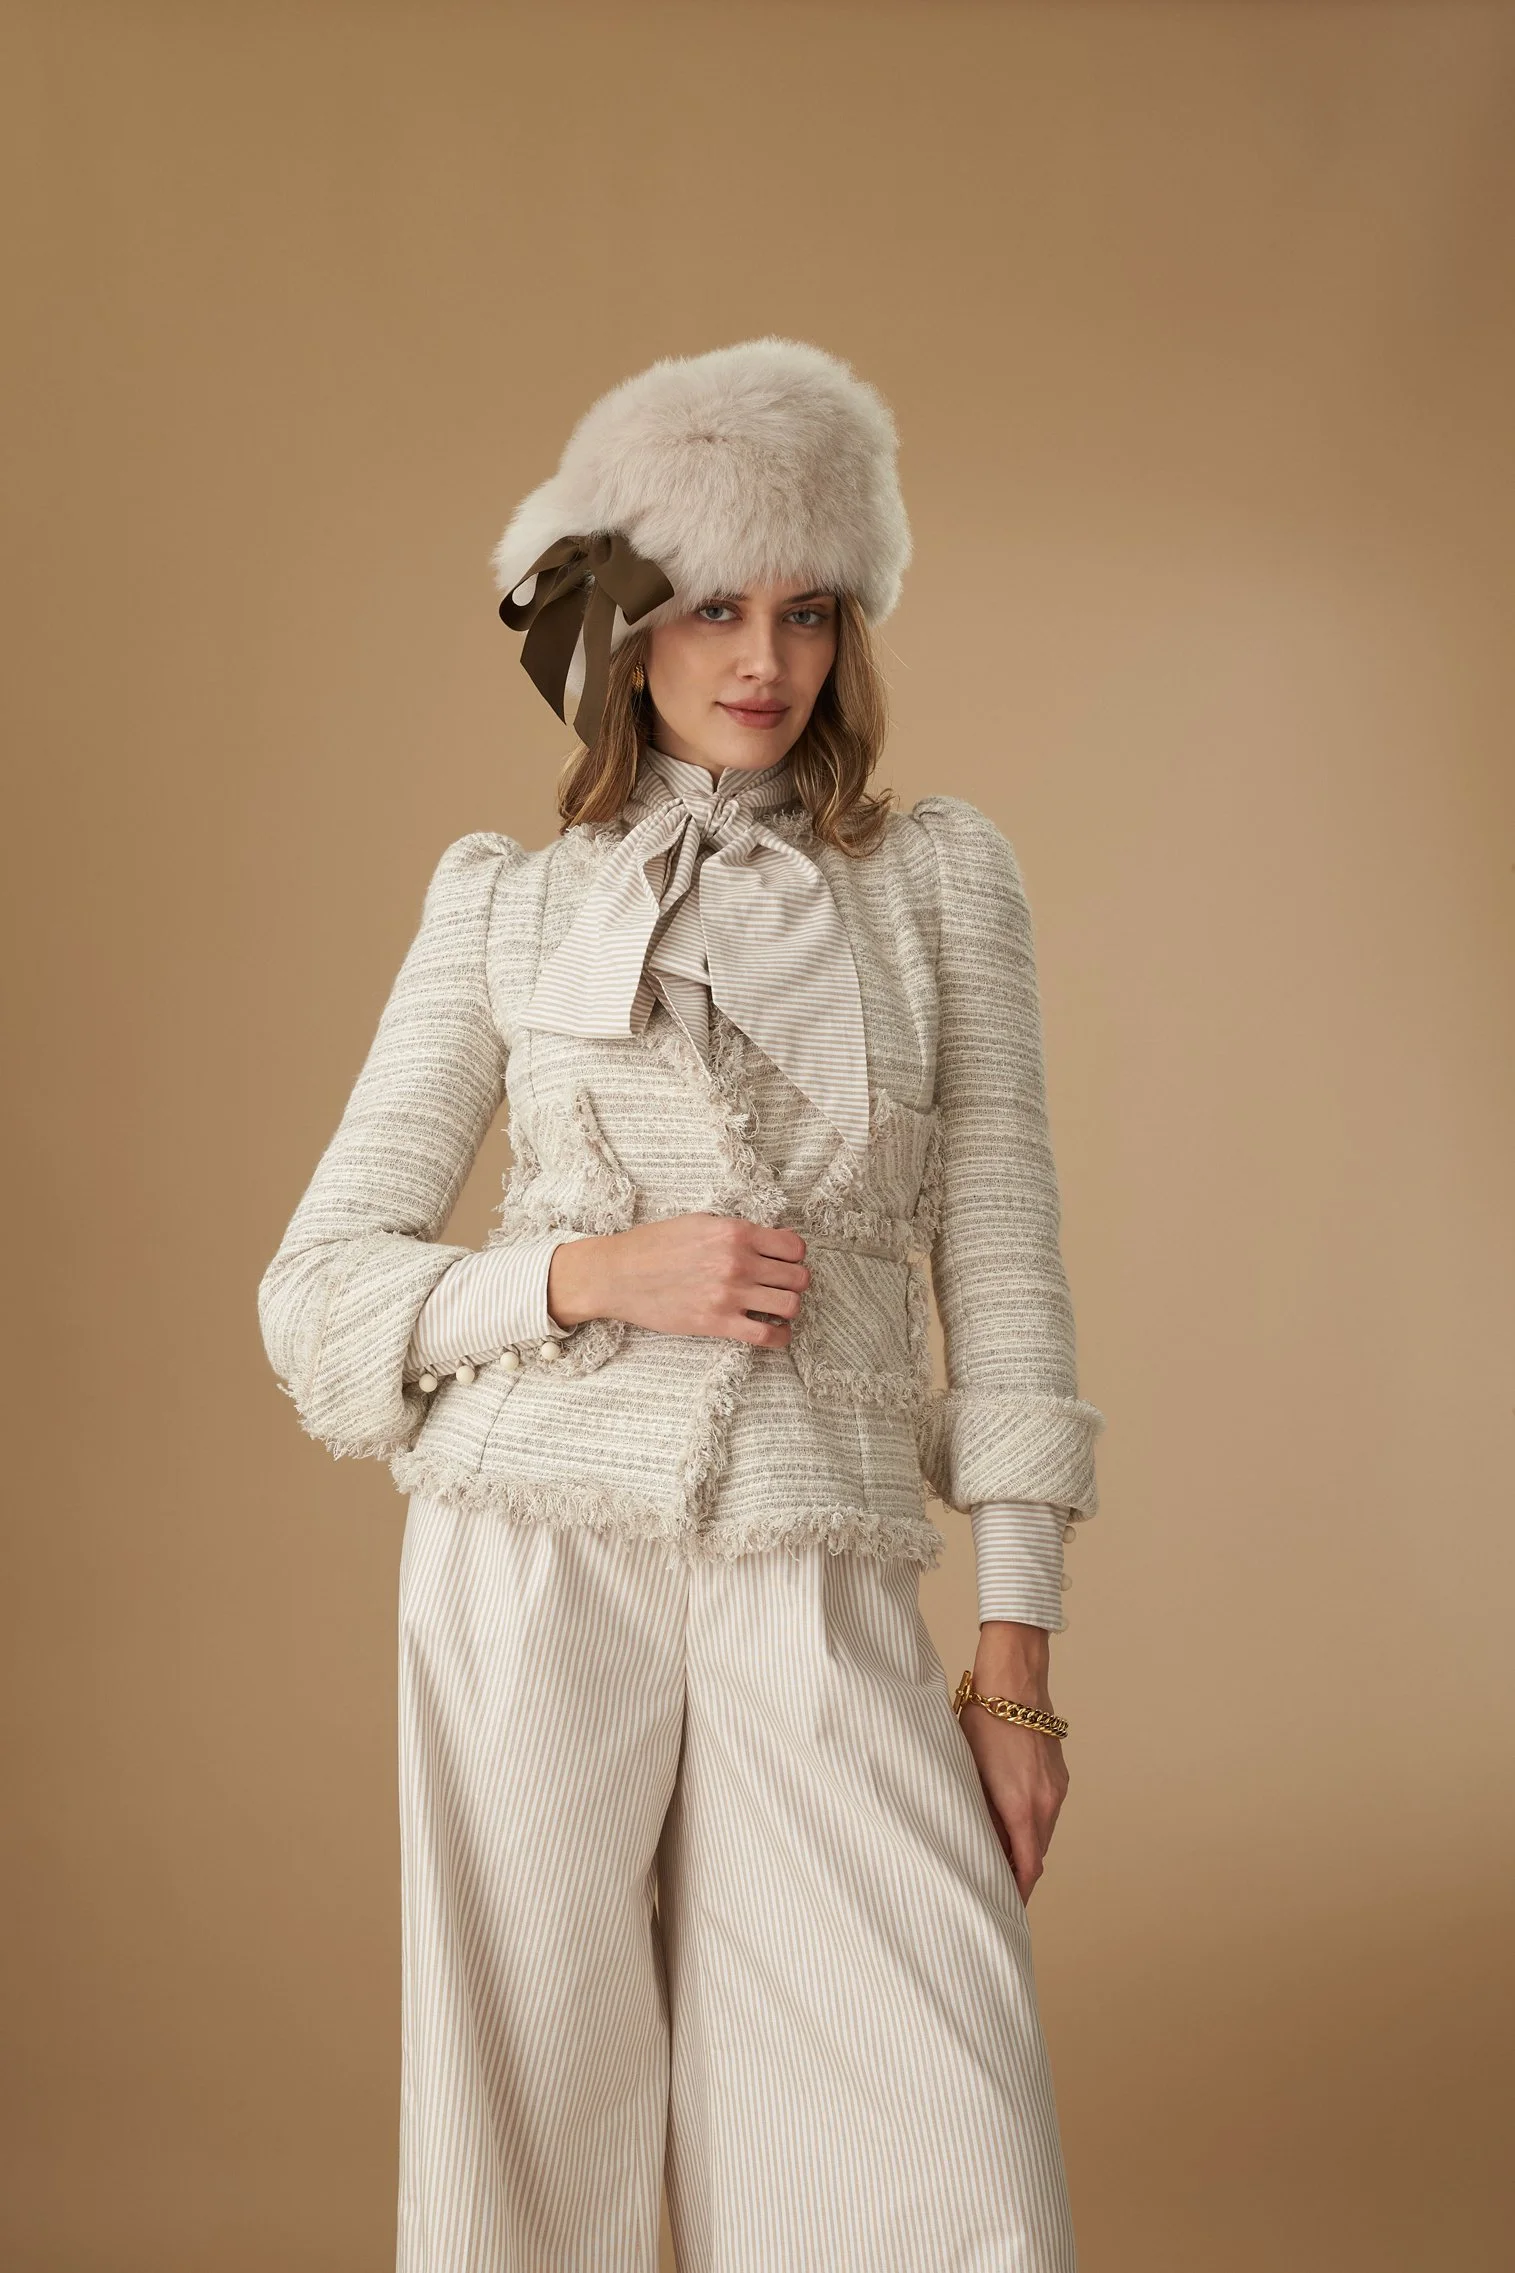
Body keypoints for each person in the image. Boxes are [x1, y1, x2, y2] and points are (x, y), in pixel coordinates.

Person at [258, 336, 1105, 2273]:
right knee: (525, 2135)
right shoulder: (503, 903)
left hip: (813, 1558)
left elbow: (1006, 1265)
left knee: (943, 2155)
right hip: (526, 1554)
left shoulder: (937, 883)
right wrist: (584, 1275)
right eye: (716, 606)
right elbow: (320, 1291)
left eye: (808, 610)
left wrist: (1016, 1660)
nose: (764, 659)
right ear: (624, 627)